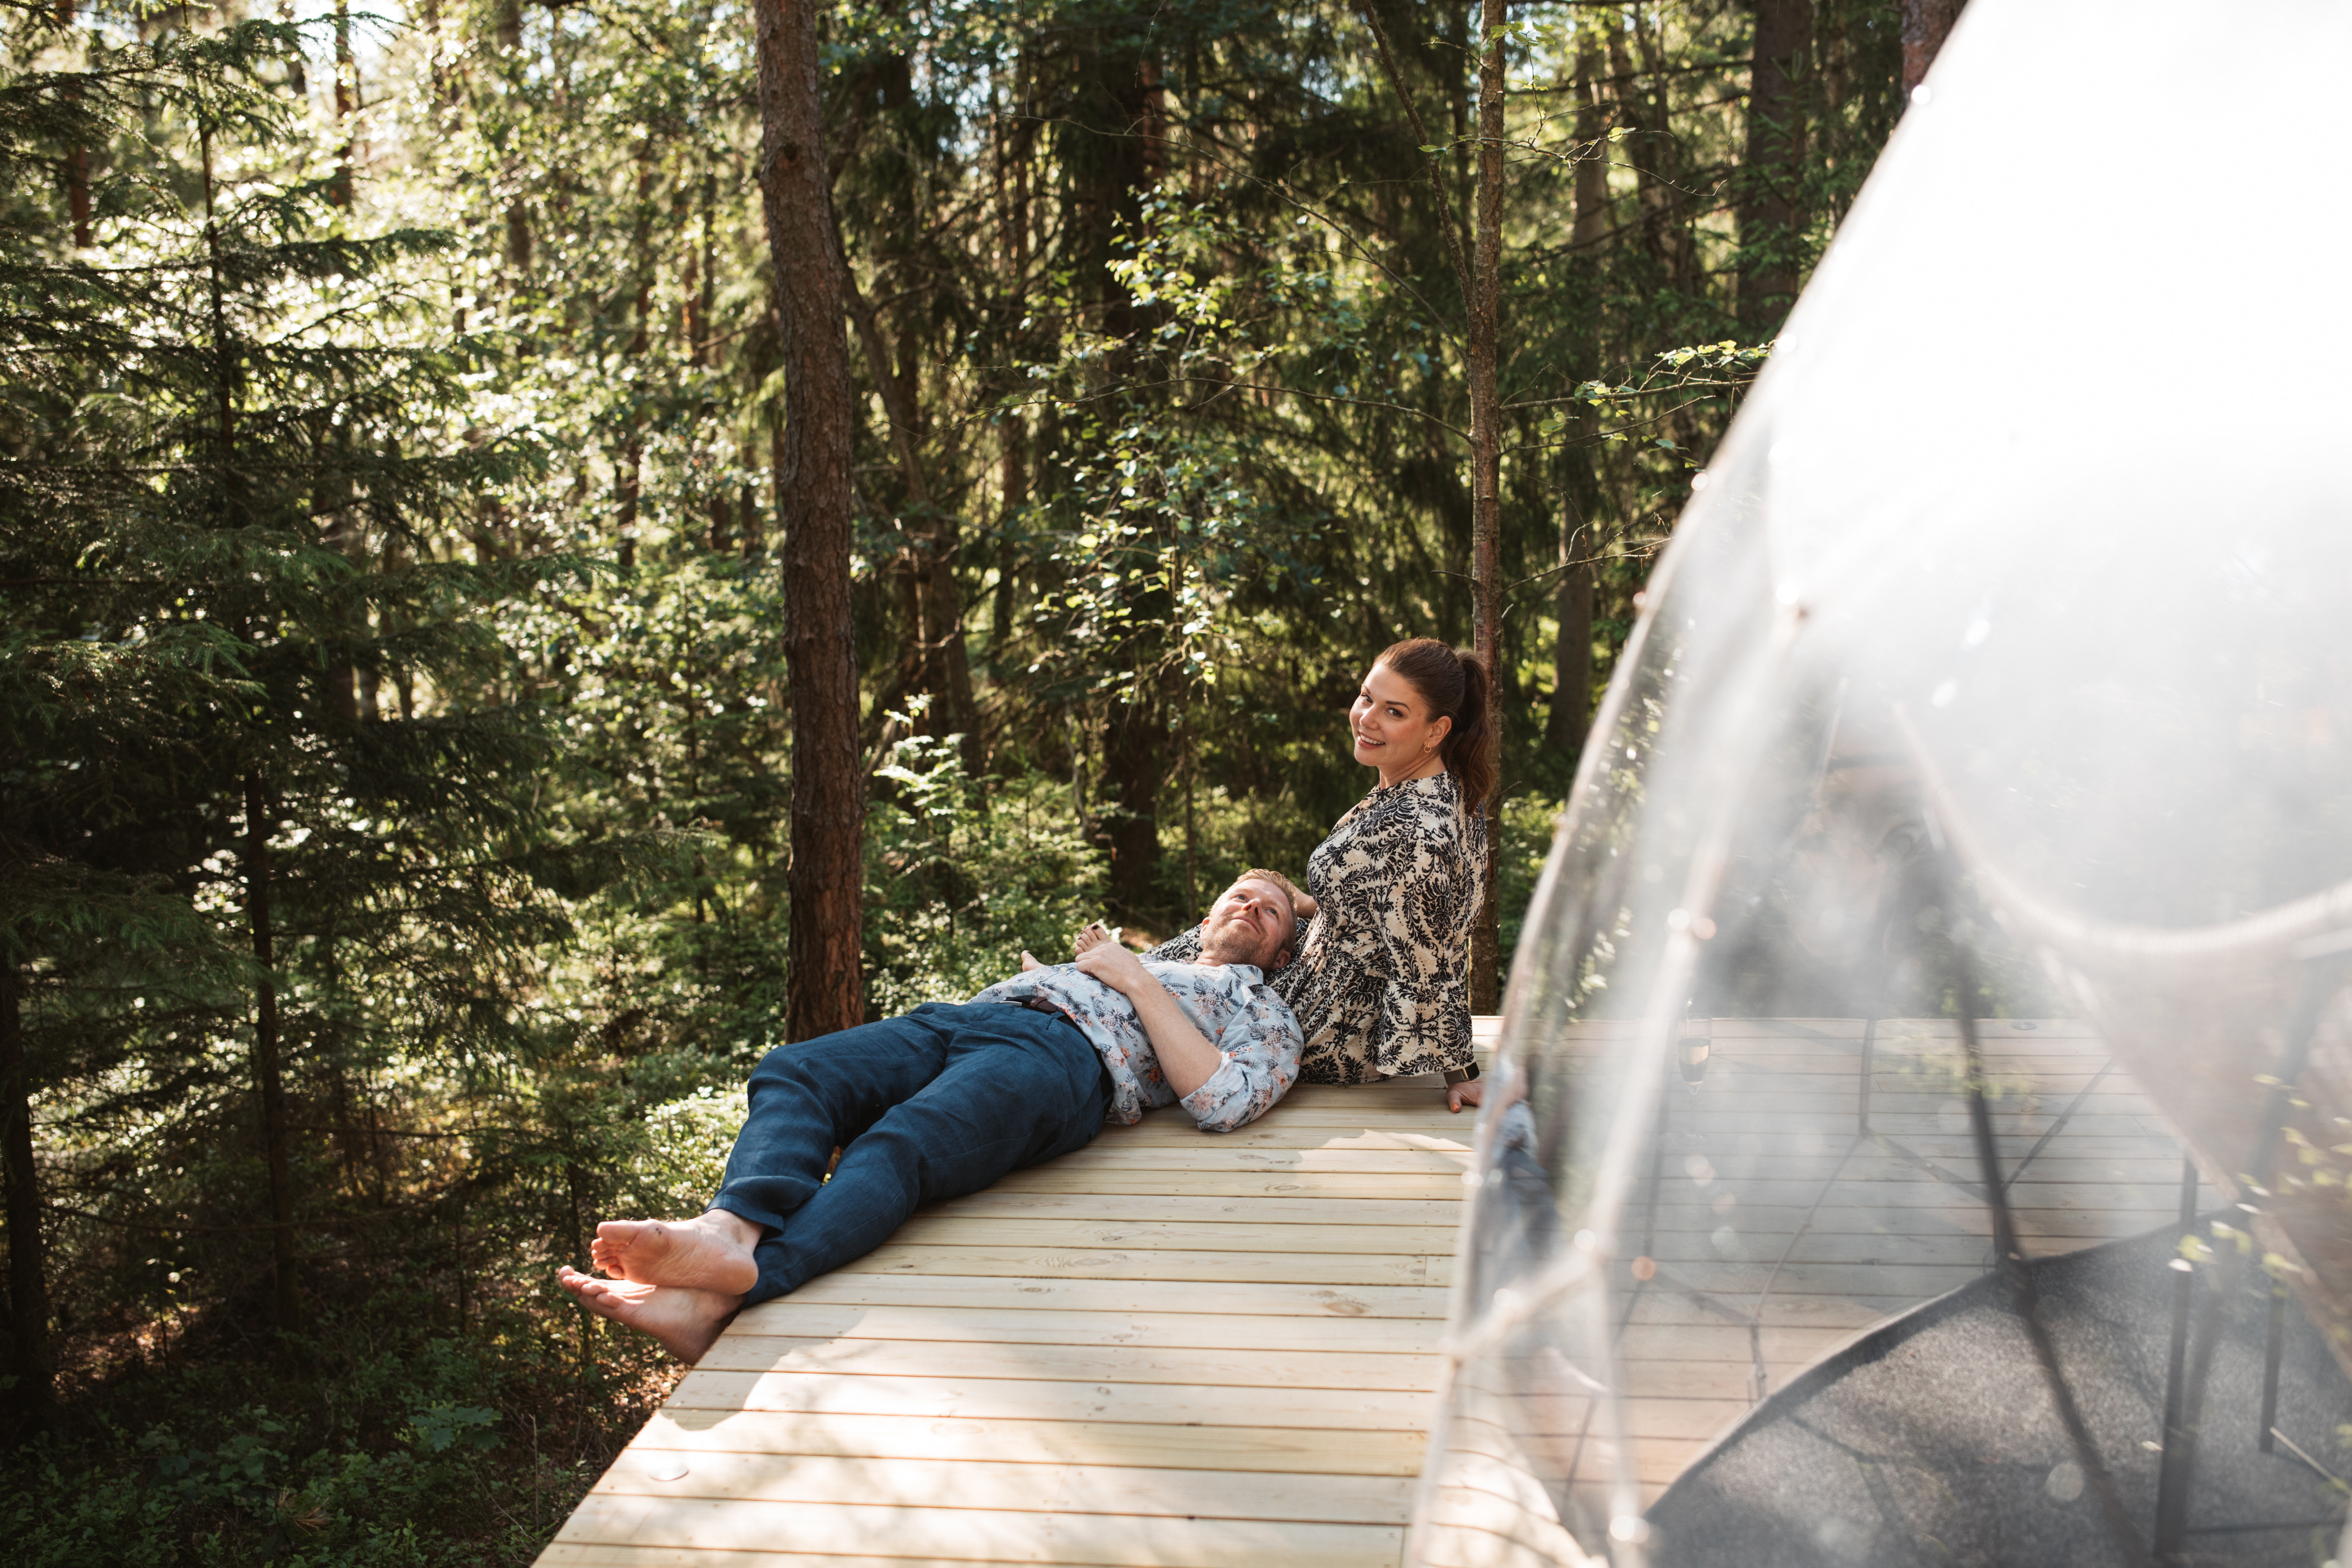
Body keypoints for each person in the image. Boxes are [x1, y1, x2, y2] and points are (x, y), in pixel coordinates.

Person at [556, 871, 1305, 1360]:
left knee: (896, 1144)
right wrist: (1057, 976)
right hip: (969, 1017)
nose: (1249, 908)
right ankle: (726, 1231)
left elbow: (1221, 1101)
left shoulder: (1260, 1008)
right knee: (796, 1069)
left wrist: (1130, 976)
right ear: (1206, 911)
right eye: (1239, 895)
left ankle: (734, 1287)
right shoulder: (1148, 954)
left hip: (1066, 1062)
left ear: (1279, 952)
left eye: (1269, 912)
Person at [1148, 638, 1491, 1110]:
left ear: (1436, 730)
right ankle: (1091, 982)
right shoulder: (1438, 785)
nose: (1367, 718)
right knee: (1220, 930)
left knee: (1191, 983)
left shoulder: (1413, 832)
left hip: (1332, 1025)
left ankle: (1087, 994)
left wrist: (1463, 1072)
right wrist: (1309, 904)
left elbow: (1428, 953)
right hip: (1324, 962)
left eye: (1394, 712)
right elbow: (1383, 905)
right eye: (1367, 697)